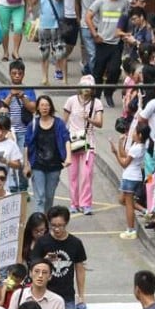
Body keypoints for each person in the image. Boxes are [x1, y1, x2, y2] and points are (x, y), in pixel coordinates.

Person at [31, 206, 87, 309]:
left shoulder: (75, 243)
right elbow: (33, 267)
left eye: (60, 225)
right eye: (53, 226)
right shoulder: (42, 242)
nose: (57, 229)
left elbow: (80, 269)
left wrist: (81, 296)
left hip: (66, 296)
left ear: (66, 223)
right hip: (44, 296)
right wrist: (45, 260)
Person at [84, 0, 130, 107]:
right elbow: (88, 17)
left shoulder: (124, 2)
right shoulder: (100, 1)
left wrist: (125, 35)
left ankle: (109, 93)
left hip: (117, 43)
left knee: (115, 70)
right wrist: (94, 33)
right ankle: (96, 97)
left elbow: (125, 19)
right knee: (98, 71)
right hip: (102, 41)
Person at [62, 76, 103, 215]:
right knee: (72, 175)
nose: (87, 90)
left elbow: (100, 123)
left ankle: (86, 204)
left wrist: (89, 118)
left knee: (86, 174)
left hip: (88, 141)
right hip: (73, 140)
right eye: (85, 86)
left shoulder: (96, 103)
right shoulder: (71, 101)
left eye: (89, 87)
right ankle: (74, 203)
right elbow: (63, 122)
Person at [24, 95, 70, 214]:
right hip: (37, 164)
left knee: (49, 197)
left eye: (47, 105)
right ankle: (40, 223)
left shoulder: (58, 123)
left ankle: (47, 222)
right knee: (40, 197)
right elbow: (27, 145)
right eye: (42, 105)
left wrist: (68, 156)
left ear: (51, 107)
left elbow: (66, 139)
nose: (45, 108)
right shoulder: (33, 124)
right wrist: (26, 164)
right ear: (38, 108)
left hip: (54, 165)